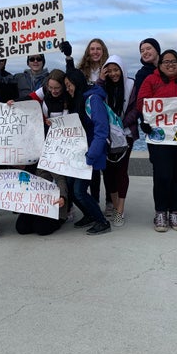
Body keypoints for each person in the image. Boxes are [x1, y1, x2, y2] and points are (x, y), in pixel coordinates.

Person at [136, 49, 177, 232]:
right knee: (162, 175)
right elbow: (141, 103)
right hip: (159, 137)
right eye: (166, 61)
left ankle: (175, 212)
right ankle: (160, 212)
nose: (170, 64)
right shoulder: (151, 80)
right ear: (160, 64)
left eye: (174, 61)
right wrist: (146, 120)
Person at [64, 69, 111, 235]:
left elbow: (101, 130)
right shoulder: (78, 100)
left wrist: (92, 155)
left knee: (79, 191)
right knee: (71, 188)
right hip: (78, 154)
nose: (68, 89)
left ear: (76, 84)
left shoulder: (93, 100)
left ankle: (102, 221)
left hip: (90, 154)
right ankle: (89, 214)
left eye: (69, 85)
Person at [97, 55, 138, 227]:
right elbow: (94, 100)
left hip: (126, 133)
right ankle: (114, 205)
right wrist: (100, 81)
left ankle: (120, 209)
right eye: (110, 70)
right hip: (107, 135)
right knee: (108, 173)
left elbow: (137, 108)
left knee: (121, 171)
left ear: (122, 70)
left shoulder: (131, 85)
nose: (114, 74)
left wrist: (121, 123)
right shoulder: (103, 86)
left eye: (116, 70)